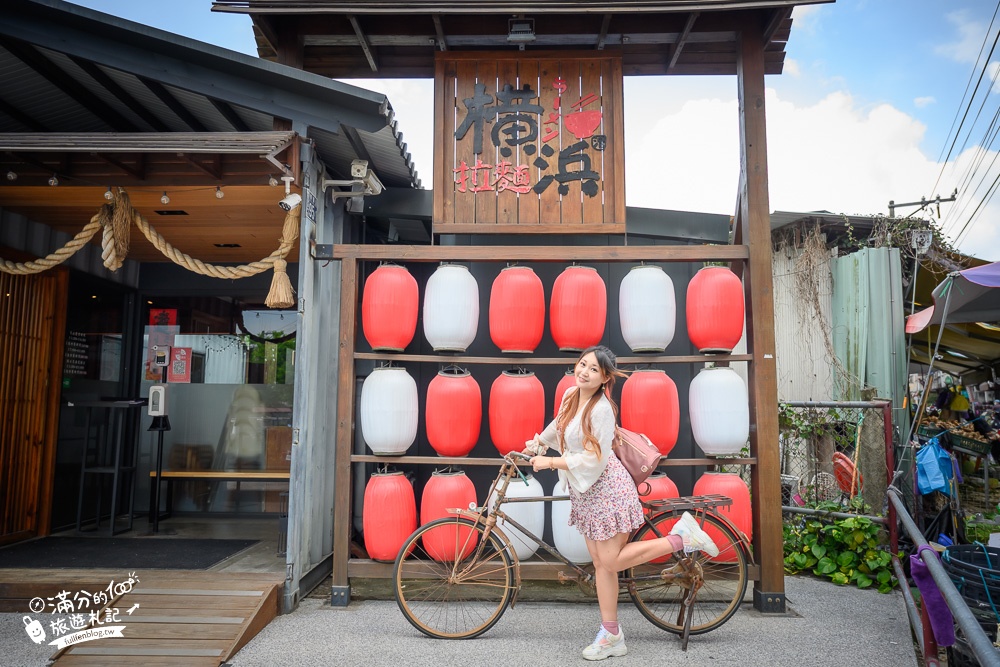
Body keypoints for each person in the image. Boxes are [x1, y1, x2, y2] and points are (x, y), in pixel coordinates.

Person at [524, 345, 718, 661]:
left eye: (593, 370)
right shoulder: (571, 396)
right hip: (586, 495)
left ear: (605, 378)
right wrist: (538, 443)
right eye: (582, 364)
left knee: (611, 562)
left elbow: (595, 459)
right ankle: (611, 634)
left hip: (608, 490)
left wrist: (552, 463)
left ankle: (681, 538)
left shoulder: (602, 409)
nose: (584, 372)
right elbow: (559, 426)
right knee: (601, 565)